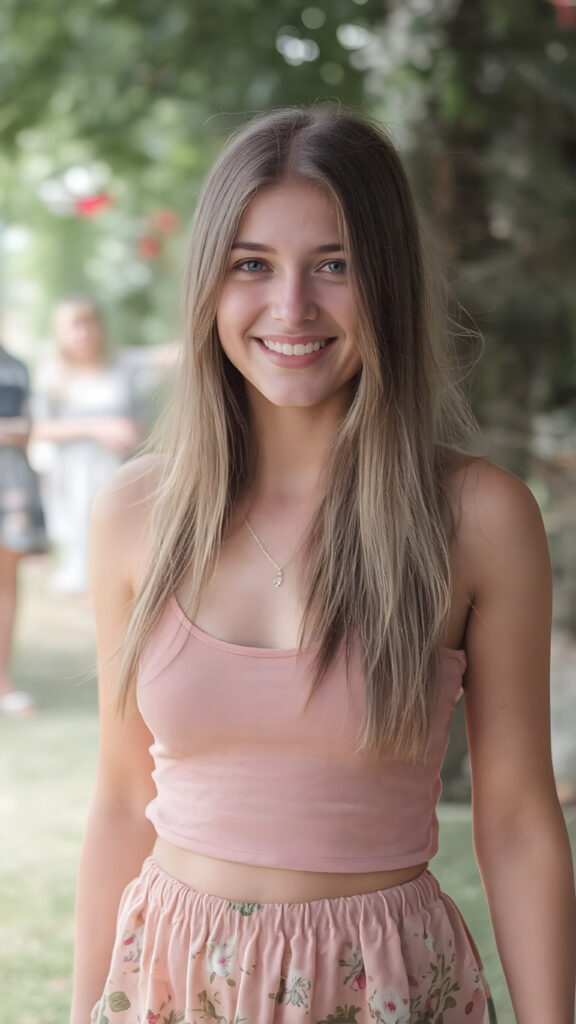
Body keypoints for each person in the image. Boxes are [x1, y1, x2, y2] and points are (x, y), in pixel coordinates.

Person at [71, 107, 576, 1024]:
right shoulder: (135, 511)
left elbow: (515, 821)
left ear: (387, 280)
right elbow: (119, 799)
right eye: (252, 264)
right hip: (174, 985)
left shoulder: (478, 516)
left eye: (334, 265)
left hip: (381, 984)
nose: (292, 307)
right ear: (209, 286)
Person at [32, 297, 140, 594]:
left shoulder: (122, 368)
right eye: (74, 326)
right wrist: (97, 428)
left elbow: (139, 419)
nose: (83, 332)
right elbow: (39, 428)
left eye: (88, 323)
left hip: (121, 471)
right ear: (60, 333)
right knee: (86, 549)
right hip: (74, 477)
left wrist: (130, 433)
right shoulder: (51, 375)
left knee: (124, 544)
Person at [0, 342, 47, 715]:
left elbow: (30, 429)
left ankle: (3, 682)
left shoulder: (16, 366)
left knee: (5, 585)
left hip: (11, 483)